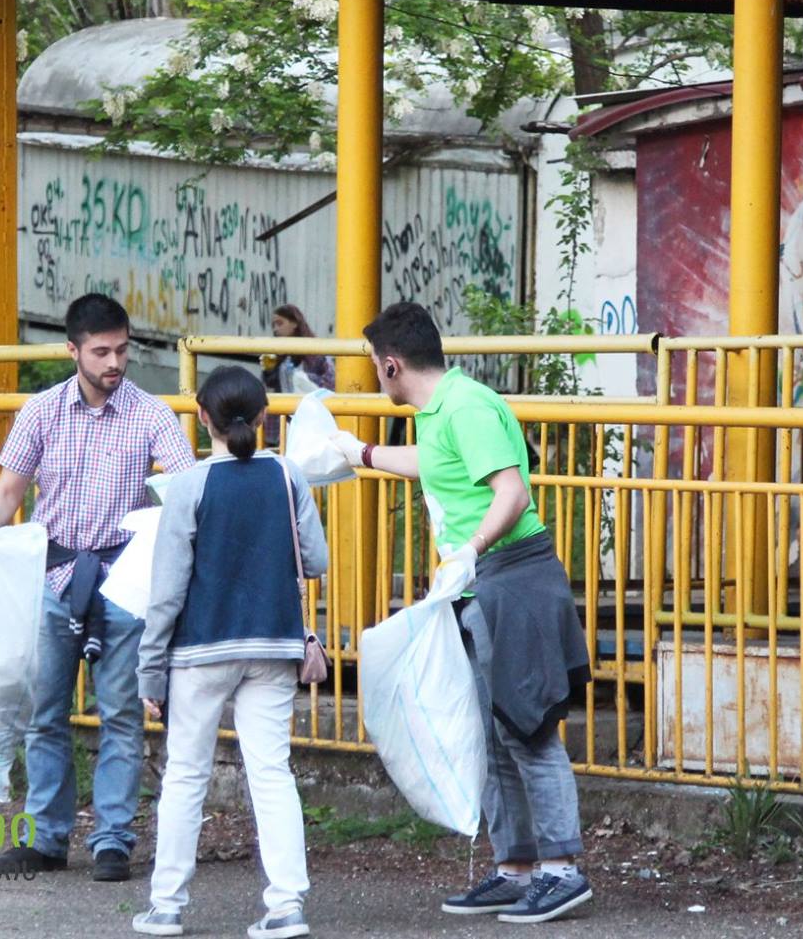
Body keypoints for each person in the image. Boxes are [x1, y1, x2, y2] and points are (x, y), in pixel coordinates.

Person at [336, 302, 593, 925]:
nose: (374, 375)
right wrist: (361, 454)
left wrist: (471, 550)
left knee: (527, 729)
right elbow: (436, 465)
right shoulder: (441, 411)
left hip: (510, 578)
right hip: (480, 585)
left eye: (374, 365)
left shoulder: (467, 407)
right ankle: (517, 867)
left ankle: (562, 870)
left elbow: (512, 492)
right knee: (492, 733)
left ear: (391, 365)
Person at [0, 294, 198, 881]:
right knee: (44, 713)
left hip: (123, 582)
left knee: (121, 713)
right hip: (53, 578)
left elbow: (187, 490)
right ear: (72, 350)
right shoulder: (41, 411)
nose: (114, 362)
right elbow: (9, 492)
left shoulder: (151, 415)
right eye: (101, 352)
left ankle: (112, 840)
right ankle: (45, 838)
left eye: (122, 350)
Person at [132, 365, 325, 939]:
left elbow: (167, 592)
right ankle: (286, 905)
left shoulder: (189, 486)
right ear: (265, 417)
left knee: (185, 777)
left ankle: (166, 906)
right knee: (271, 773)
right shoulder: (287, 476)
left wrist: (150, 671)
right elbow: (315, 559)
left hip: (200, 650)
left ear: (202, 418)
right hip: (273, 645)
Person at [263, 304, 336, 446]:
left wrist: (302, 378)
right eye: (273, 325)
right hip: (284, 418)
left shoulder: (313, 351)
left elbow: (330, 381)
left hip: (310, 418)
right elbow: (272, 385)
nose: (276, 329)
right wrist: (269, 371)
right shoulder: (277, 352)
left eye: (280, 323)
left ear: (295, 323)